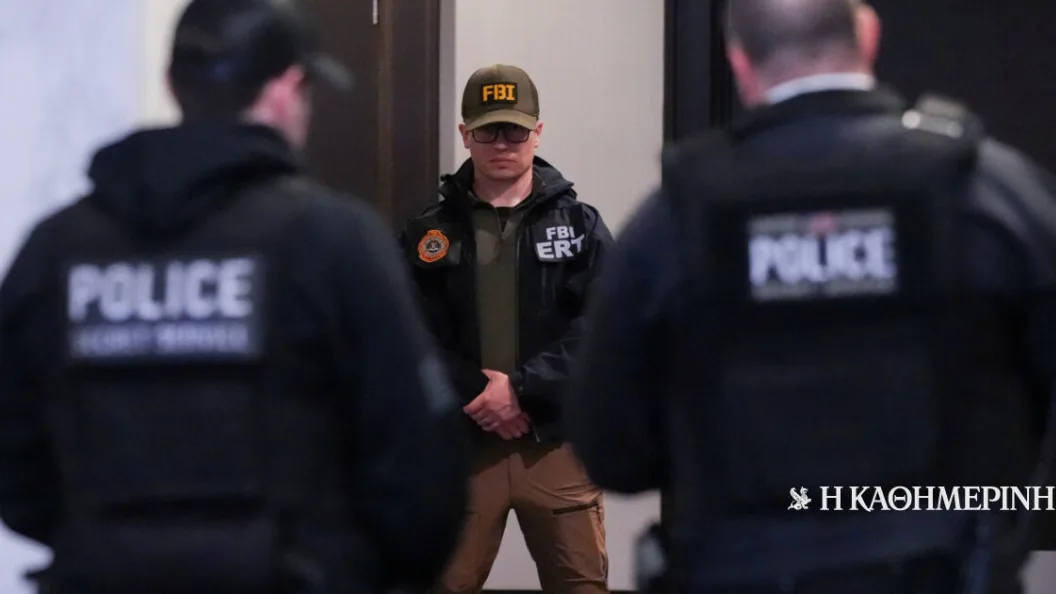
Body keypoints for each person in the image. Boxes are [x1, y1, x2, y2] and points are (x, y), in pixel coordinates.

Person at [566, 0, 1056, 593]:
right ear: (868, 35)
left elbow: (611, 450)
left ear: (739, 61)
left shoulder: (676, 220)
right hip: (945, 569)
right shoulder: (987, 192)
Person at [0, 1, 469, 593]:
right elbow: (421, 464)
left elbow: (15, 464)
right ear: (288, 88)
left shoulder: (57, 249)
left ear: (173, 83)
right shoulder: (332, 241)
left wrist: (112, 547)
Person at [397, 64, 613, 594]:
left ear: (537, 132)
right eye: (487, 130)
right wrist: (479, 391)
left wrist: (522, 390)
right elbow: (405, 334)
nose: (501, 143)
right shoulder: (427, 233)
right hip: (461, 447)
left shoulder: (580, 226)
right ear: (464, 135)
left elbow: (606, 324)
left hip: (555, 443)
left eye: (514, 130)